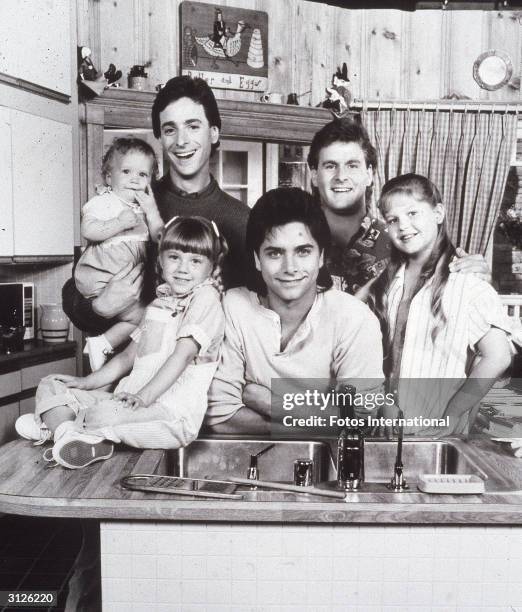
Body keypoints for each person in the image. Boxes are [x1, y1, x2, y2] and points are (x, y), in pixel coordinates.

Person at [16, 216, 227, 468]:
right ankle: (65, 433)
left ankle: (56, 426)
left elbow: (181, 356)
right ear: (160, 260)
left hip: (171, 415)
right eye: (174, 257)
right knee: (51, 384)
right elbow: (127, 358)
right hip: (131, 403)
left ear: (212, 267)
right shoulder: (159, 304)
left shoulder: (206, 300)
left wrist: (143, 397)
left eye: (195, 261)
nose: (183, 268)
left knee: (98, 413)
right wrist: (86, 383)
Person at [63, 75, 249, 336]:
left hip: (205, 371)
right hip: (130, 368)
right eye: (170, 129)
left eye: (193, 126)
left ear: (214, 132)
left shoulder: (242, 220)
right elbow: (73, 289)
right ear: (160, 137)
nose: (181, 141)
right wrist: (98, 308)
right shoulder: (131, 201)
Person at [205, 187, 384, 434]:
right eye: (275, 253)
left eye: (302, 251)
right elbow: (219, 417)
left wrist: (270, 403)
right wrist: (316, 422)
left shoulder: (355, 319)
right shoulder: (233, 307)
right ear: (257, 259)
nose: (290, 267)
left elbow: (359, 421)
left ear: (321, 257)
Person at [367, 173, 513, 436]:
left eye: (413, 213)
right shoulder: (387, 284)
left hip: (438, 435)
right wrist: (383, 402)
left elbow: (498, 356)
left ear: (438, 213)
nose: (403, 226)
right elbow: (376, 357)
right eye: (393, 220)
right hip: (389, 430)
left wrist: (452, 414)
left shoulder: (467, 283)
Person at [307, 118, 490, 299]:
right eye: (330, 166)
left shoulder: (406, 241)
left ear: (369, 174)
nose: (341, 176)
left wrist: (475, 277)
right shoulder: (295, 243)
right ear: (314, 176)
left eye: (352, 165)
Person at [74, 137, 163, 371]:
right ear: (108, 177)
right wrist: (118, 222)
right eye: (126, 171)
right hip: (104, 272)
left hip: (128, 276)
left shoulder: (143, 208)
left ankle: (101, 343)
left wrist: (152, 212)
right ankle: (103, 343)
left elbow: (159, 238)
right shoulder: (104, 201)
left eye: (143, 175)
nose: (135, 179)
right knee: (143, 317)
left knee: (144, 317)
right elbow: (88, 230)